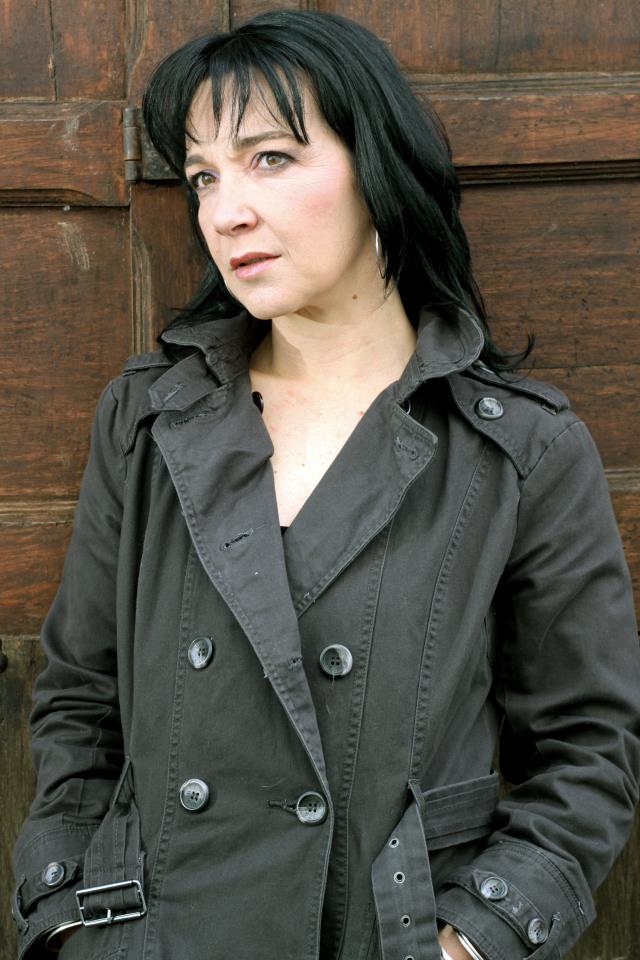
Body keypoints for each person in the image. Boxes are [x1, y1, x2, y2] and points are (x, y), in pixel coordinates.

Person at [10, 9, 640, 960]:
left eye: (269, 158)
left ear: (377, 168)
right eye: (203, 176)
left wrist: (472, 942)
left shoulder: (518, 449)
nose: (224, 212)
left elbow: (589, 750)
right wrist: (64, 919)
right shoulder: (148, 418)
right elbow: (79, 700)